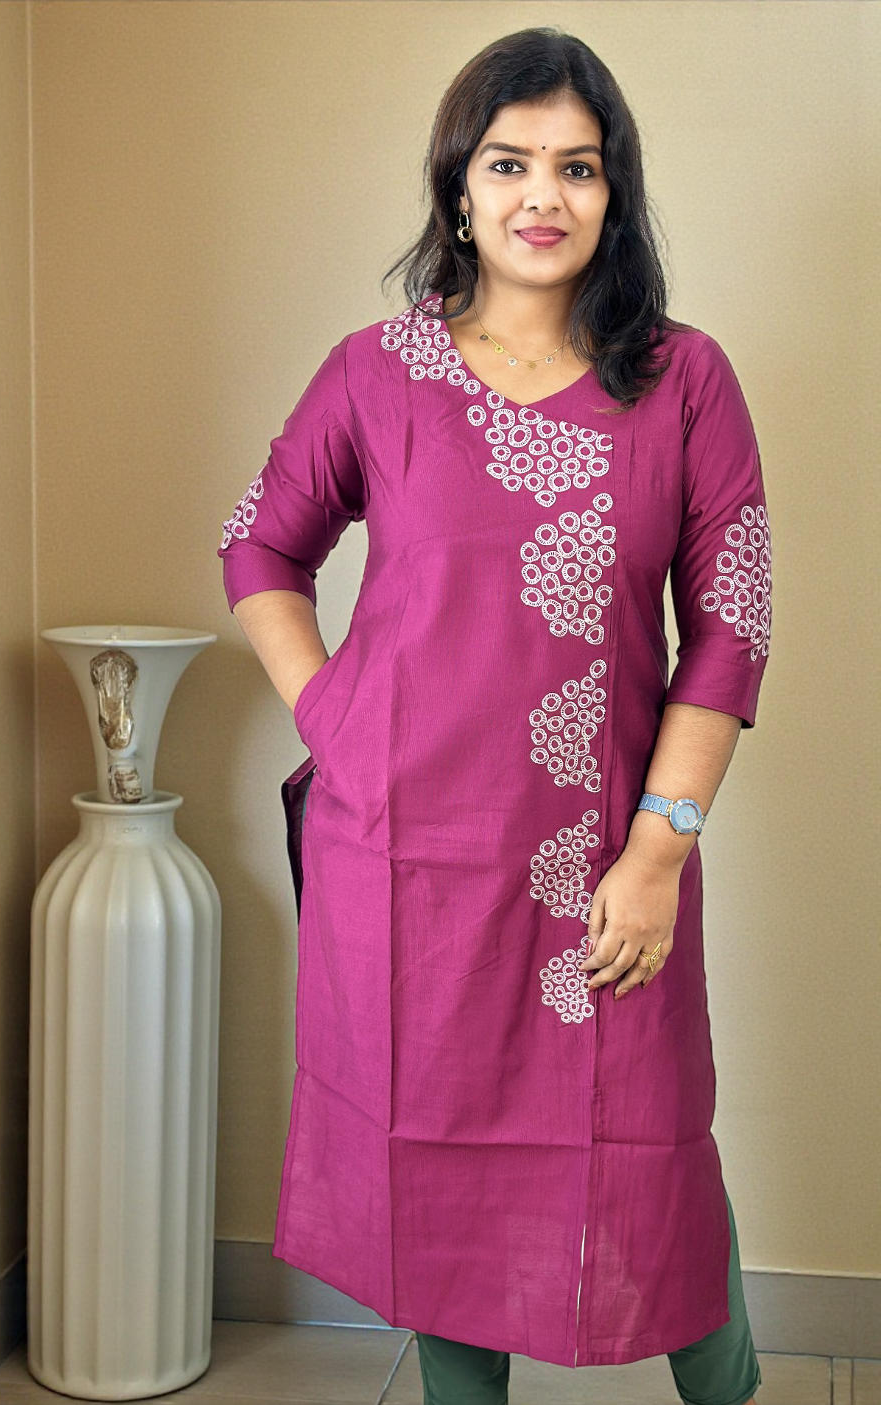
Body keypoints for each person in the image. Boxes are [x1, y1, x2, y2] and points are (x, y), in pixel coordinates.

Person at [217, 26, 770, 1405]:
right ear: (459, 188)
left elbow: (732, 626)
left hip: (604, 864)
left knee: (653, 1162)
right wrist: (332, 711)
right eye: (510, 163)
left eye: (577, 167)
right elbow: (258, 545)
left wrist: (660, 850)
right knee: (438, 1174)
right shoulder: (377, 373)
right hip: (409, 864)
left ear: (614, 193)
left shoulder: (684, 379)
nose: (542, 196)